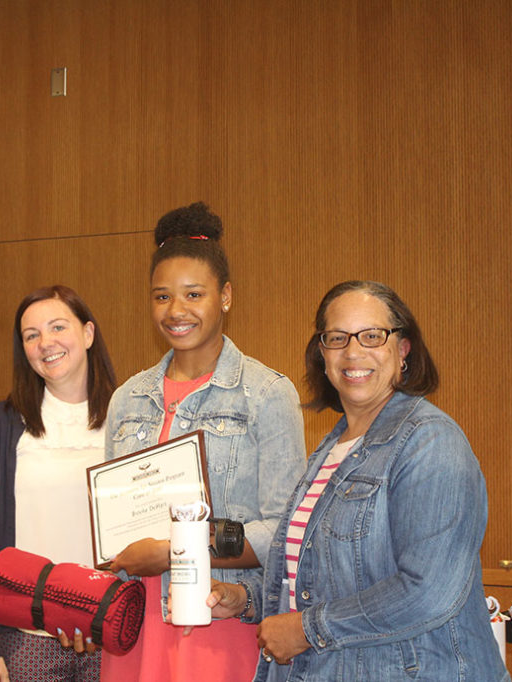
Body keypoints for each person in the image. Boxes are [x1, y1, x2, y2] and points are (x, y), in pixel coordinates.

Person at [205, 280, 510, 681]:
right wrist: (245, 599)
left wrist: (306, 629)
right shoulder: (331, 449)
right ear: (322, 354)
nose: (353, 352)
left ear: (403, 350)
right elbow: (321, 581)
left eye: (372, 336)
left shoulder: (431, 442)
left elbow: (428, 592)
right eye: (337, 338)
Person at [100, 202, 306, 682]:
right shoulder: (127, 398)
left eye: (194, 294)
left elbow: (285, 532)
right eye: (162, 296)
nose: (176, 311)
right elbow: (110, 531)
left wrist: (176, 548)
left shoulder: (267, 394)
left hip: (219, 619)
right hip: (135, 627)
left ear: (226, 296)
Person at [0, 285, 117, 682]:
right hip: (26, 638)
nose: (45, 343)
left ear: (88, 333)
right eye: (31, 335)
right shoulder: (0, 425)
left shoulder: (129, 418)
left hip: (110, 633)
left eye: (57, 327)